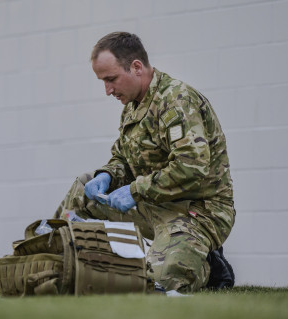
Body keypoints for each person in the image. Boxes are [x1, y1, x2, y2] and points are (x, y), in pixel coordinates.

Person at [54, 32, 235, 293]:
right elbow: (123, 160)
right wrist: (107, 175)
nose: (107, 91)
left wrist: (134, 190)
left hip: (197, 211)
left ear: (136, 67)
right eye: (103, 82)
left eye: (111, 79)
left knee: (154, 283)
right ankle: (54, 260)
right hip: (152, 204)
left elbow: (191, 166)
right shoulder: (132, 106)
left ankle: (207, 263)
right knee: (84, 187)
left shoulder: (177, 101)